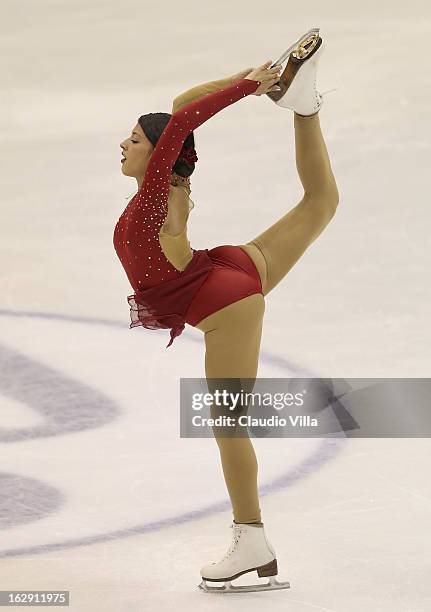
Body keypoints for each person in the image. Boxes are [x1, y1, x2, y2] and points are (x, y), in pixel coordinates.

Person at [113, 27, 339, 593]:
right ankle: (306, 107)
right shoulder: (170, 186)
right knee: (320, 203)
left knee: (228, 423)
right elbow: (181, 110)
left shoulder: (154, 198)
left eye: (134, 139)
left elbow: (182, 121)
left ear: (157, 155)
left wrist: (247, 88)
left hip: (224, 303)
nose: (123, 144)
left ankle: (251, 538)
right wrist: (260, 80)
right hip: (226, 267)